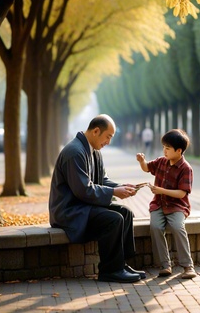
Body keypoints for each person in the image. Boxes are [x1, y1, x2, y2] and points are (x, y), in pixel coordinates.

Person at [49, 114, 146, 283]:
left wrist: (122, 187)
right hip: (70, 211)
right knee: (113, 219)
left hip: (84, 206)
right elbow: (83, 190)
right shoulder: (74, 152)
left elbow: (103, 180)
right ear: (95, 131)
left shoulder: (94, 150)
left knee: (126, 213)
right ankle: (110, 271)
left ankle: (121, 264)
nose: (108, 142)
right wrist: (114, 192)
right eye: (108, 136)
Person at [136, 129, 197, 279]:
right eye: (164, 147)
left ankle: (188, 266)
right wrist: (141, 161)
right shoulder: (161, 161)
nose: (164, 150)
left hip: (177, 206)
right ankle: (165, 265)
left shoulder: (186, 168)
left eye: (168, 148)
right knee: (155, 227)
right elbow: (146, 168)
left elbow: (182, 193)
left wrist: (161, 190)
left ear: (179, 150)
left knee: (177, 227)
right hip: (158, 205)